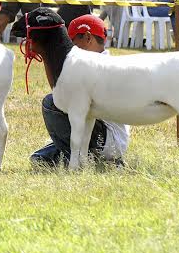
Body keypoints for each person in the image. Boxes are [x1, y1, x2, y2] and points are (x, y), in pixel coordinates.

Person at [30, 14, 130, 167]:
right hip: (102, 135)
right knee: (38, 159)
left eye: (73, 44)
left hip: (107, 139)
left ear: (88, 38)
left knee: (50, 103)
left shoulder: (100, 65)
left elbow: (59, 100)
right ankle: (82, 157)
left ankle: (82, 159)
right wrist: (45, 55)